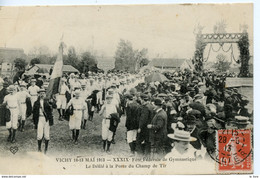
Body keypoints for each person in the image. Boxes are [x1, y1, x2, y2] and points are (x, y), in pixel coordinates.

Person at [32, 88, 54, 154]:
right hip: (39, 119)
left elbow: (54, 106)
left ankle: (46, 149)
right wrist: (35, 122)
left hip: (46, 119)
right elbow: (34, 113)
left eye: (43, 93)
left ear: (45, 94)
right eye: (41, 93)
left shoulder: (48, 101)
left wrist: (52, 103)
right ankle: (39, 148)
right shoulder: (36, 102)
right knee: (39, 134)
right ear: (39, 94)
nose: (42, 95)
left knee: (46, 135)